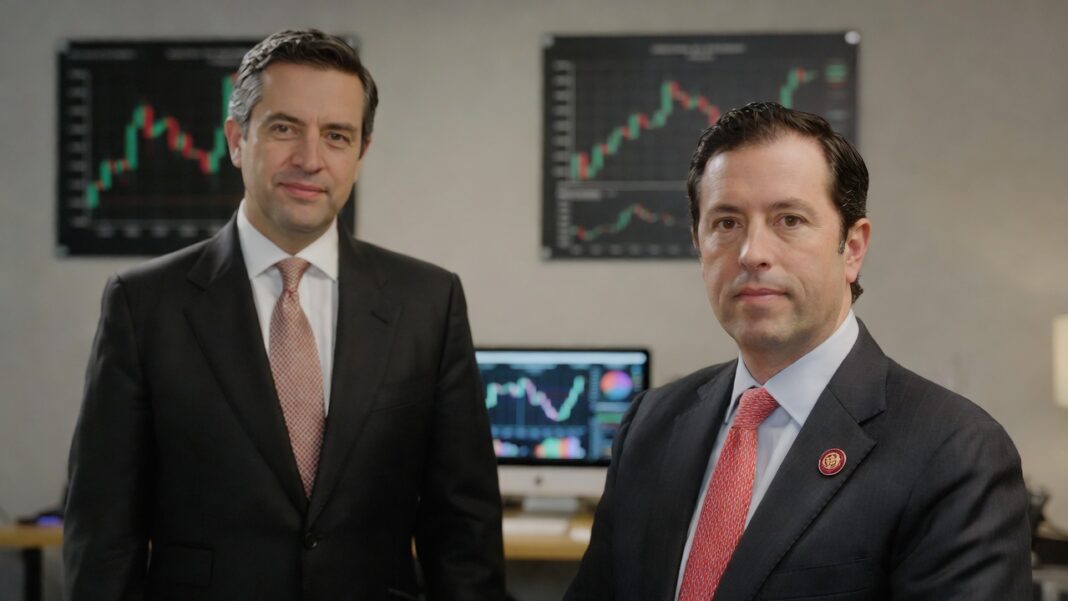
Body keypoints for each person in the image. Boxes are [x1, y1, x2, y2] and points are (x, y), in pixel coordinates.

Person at [64, 29, 505, 601]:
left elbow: (465, 529)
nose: (310, 159)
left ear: (361, 153)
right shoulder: (144, 304)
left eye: (337, 136)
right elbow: (103, 533)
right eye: (284, 128)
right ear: (236, 139)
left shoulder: (429, 302)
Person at [565, 102, 1031, 600]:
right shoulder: (651, 425)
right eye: (727, 223)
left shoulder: (955, 452)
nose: (752, 253)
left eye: (789, 219)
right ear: (699, 246)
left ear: (853, 248)